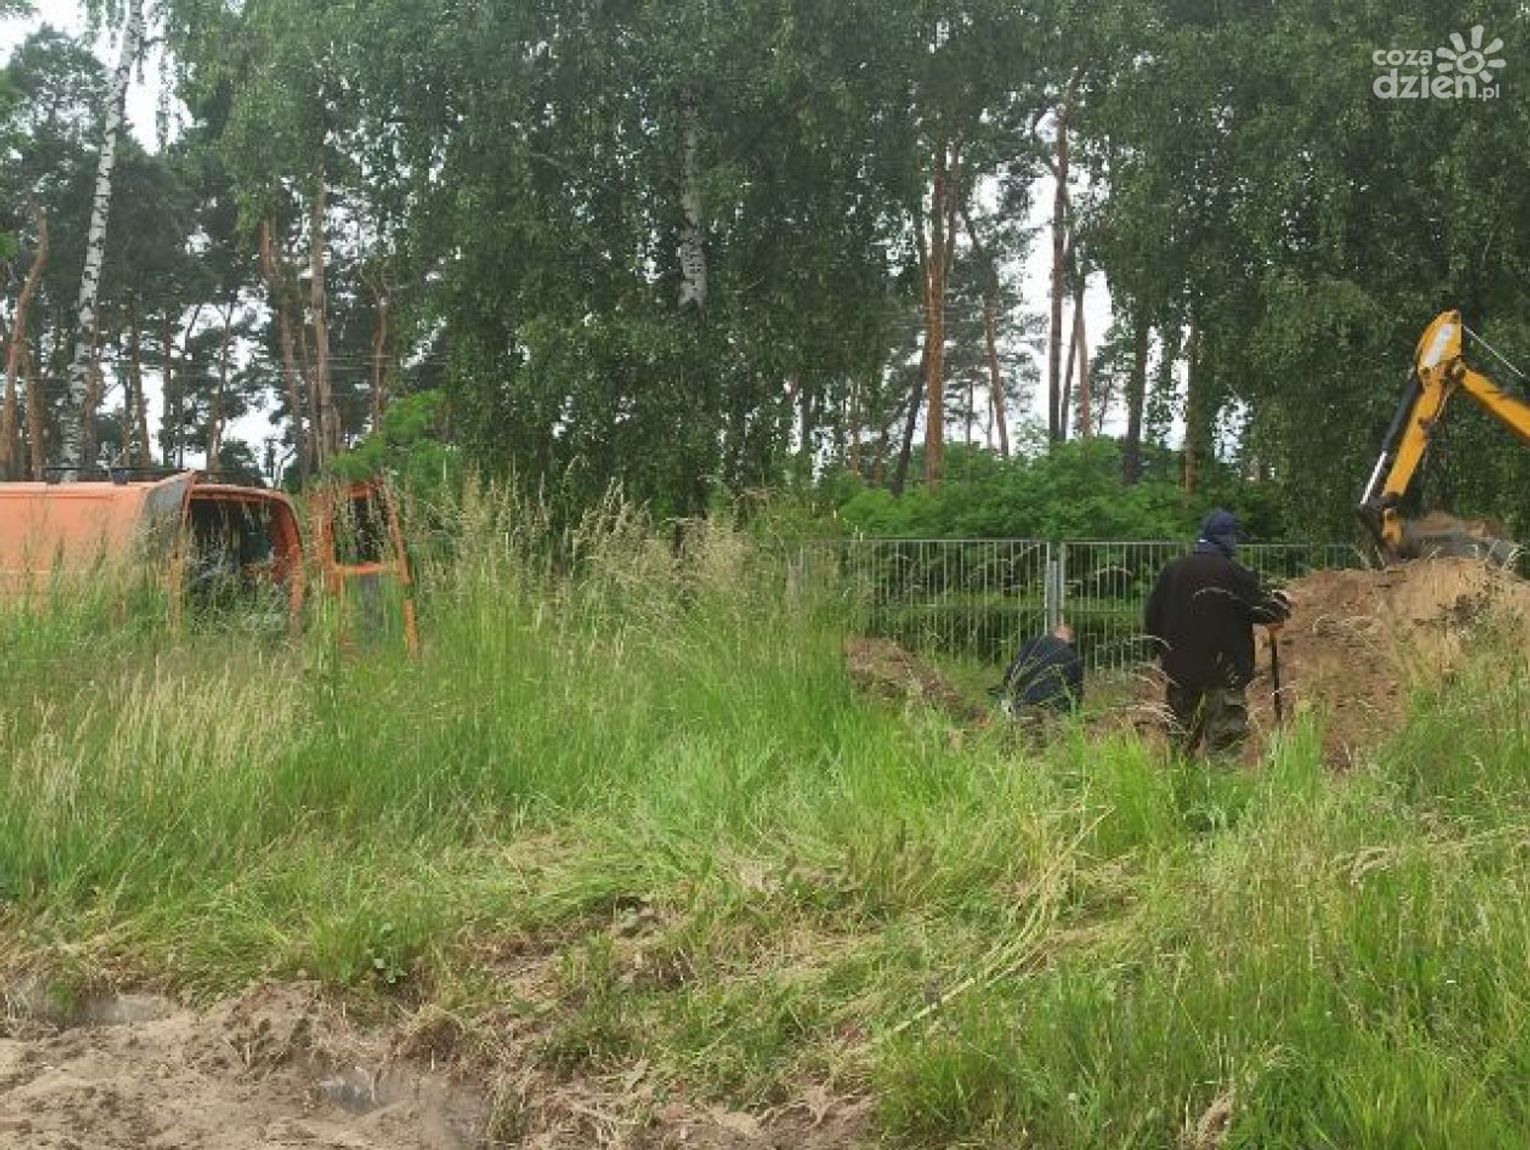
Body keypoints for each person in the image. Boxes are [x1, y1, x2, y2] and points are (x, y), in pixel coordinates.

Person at [1144, 509, 1291, 755]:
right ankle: (1220, 782)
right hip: (1224, 674)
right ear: (1228, 540)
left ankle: (1180, 781)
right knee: (1224, 748)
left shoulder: (1172, 571)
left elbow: (1152, 616)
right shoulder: (1233, 573)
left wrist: (1163, 655)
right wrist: (1281, 601)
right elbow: (1268, 612)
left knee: (1180, 747)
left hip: (1180, 674)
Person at [997, 620, 1084, 721]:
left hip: (1023, 705)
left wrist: (1006, 696)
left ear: (1054, 633)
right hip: (1055, 711)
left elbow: (1013, 671)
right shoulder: (1073, 657)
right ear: (1071, 640)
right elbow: (1076, 692)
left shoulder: (1033, 643)